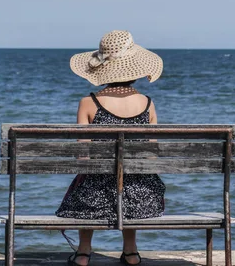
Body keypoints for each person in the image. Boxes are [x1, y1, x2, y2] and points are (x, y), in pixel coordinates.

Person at [56, 30, 165, 266]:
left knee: (86, 178)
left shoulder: (88, 103)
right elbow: (152, 155)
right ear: (135, 69)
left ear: (102, 70)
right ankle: (131, 251)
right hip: (142, 197)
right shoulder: (147, 104)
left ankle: (83, 251)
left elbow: (82, 154)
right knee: (133, 177)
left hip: (93, 198)